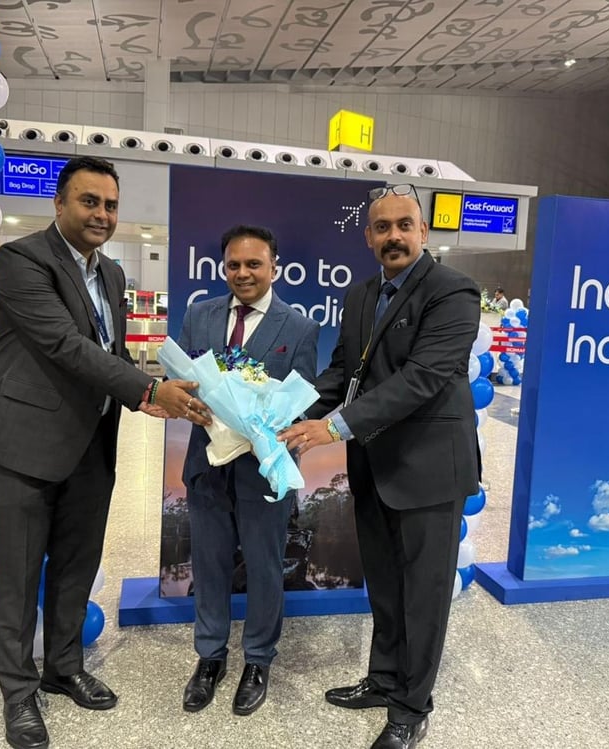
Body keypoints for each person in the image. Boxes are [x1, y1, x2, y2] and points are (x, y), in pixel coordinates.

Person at [0, 155, 210, 749]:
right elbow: (64, 344)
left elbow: (111, 352)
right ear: (59, 203)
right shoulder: (22, 260)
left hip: (92, 442)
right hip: (26, 443)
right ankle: (18, 694)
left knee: (76, 566)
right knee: (18, 576)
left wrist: (152, 393)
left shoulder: (111, 274)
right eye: (89, 201)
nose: (102, 214)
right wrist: (148, 390)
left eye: (110, 204)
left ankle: (63, 666)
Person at [279, 184, 481, 749]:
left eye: (404, 224)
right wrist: (287, 414)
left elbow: (422, 378)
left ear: (423, 231)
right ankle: (385, 679)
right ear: (368, 236)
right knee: (386, 586)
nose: (394, 235)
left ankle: (412, 708)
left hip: (428, 471)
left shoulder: (453, 290)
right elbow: (344, 373)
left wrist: (333, 428)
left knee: (424, 595)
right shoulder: (361, 295)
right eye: (383, 227)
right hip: (373, 464)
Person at [177, 225, 319, 717]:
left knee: (264, 568)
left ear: (274, 267)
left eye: (253, 264)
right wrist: (194, 405)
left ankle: (258, 659)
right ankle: (210, 656)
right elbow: (183, 381)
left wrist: (261, 428)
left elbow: (301, 402)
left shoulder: (299, 328)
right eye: (233, 265)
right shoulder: (199, 316)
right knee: (210, 565)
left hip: (264, 471)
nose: (243, 273)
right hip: (207, 465)